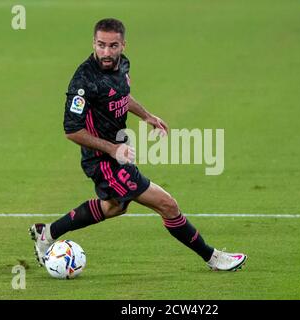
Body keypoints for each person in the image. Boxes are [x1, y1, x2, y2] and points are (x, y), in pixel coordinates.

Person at [29, 18, 246, 271]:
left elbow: (122, 95)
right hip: (103, 161)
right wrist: (112, 149)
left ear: (123, 44)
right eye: (101, 45)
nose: (106, 52)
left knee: (113, 207)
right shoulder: (84, 81)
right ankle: (214, 258)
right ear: (93, 43)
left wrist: (146, 115)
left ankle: (47, 233)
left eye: (113, 46)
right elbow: (71, 130)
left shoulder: (122, 65)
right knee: (168, 205)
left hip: (118, 153)